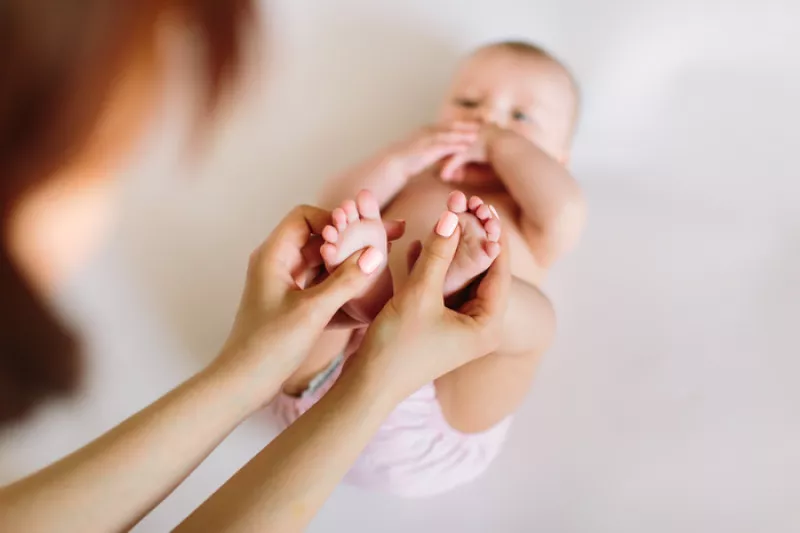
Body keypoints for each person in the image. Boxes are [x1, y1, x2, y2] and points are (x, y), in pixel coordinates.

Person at [0, 2, 512, 531]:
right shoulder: (427, 164)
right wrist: (375, 382)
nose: (107, 201)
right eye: (104, 155)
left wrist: (249, 366)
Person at [272, 41, 586, 497]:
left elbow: (566, 209)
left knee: (532, 322)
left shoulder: (532, 217)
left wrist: (499, 147)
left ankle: (454, 293)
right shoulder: (417, 175)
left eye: (520, 119)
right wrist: (399, 160)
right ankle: (365, 281)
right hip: (328, 383)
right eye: (468, 103)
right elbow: (334, 203)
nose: (486, 120)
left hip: (443, 413)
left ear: (558, 162)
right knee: (321, 260)